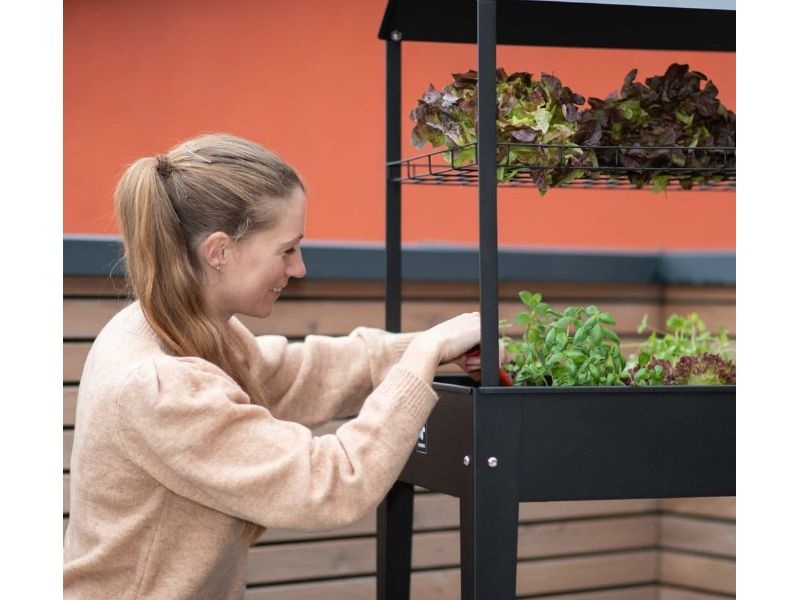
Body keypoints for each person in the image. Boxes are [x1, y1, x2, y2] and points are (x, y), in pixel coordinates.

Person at [63, 133, 485, 599]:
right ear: (219, 251)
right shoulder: (160, 382)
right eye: (287, 250)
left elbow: (298, 375)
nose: (299, 268)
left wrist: (429, 347)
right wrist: (422, 359)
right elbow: (332, 482)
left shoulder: (175, 327)